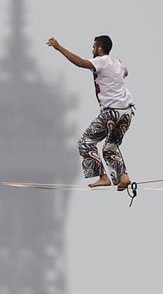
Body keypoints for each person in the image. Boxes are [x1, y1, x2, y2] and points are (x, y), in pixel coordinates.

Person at [47, 35, 134, 190]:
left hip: (111, 113)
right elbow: (125, 71)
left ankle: (103, 177)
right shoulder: (117, 63)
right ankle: (124, 177)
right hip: (127, 113)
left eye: (93, 47)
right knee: (110, 147)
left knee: (85, 142)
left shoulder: (101, 61)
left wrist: (59, 47)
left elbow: (81, 63)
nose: (92, 50)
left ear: (100, 49)